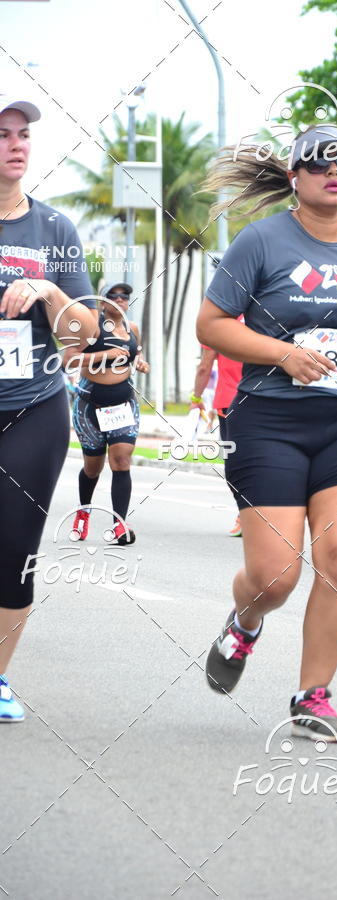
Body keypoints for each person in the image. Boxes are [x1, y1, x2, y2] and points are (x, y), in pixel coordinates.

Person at [197, 124, 337, 741]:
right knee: (275, 577)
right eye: (319, 163)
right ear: (296, 176)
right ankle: (244, 624)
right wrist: (282, 354)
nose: (334, 171)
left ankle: (312, 698)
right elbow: (210, 325)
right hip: (268, 422)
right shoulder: (261, 241)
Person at [0, 94, 98, 722]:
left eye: (24, 134)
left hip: (34, 405)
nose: (16, 144)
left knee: (14, 547)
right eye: (3, 133)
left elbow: (86, 329)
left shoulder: (55, 229)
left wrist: (50, 288)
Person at [65, 281, 149, 546]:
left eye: (124, 295)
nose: (120, 299)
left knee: (122, 461)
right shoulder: (90, 328)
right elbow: (69, 359)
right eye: (113, 296)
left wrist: (141, 363)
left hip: (124, 404)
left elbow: (135, 354)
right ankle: (83, 512)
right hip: (90, 405)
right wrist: (105, 354)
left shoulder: (132, 328)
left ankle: (119, 524)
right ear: (102, 302)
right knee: (93, 468)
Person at [191, 337, 244, 536]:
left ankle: (245, 514)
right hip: (265, 401)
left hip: (230, 402)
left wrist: (196, 398)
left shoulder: (220, 325)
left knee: (235, 463)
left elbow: (205, 367)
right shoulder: (268, 320)